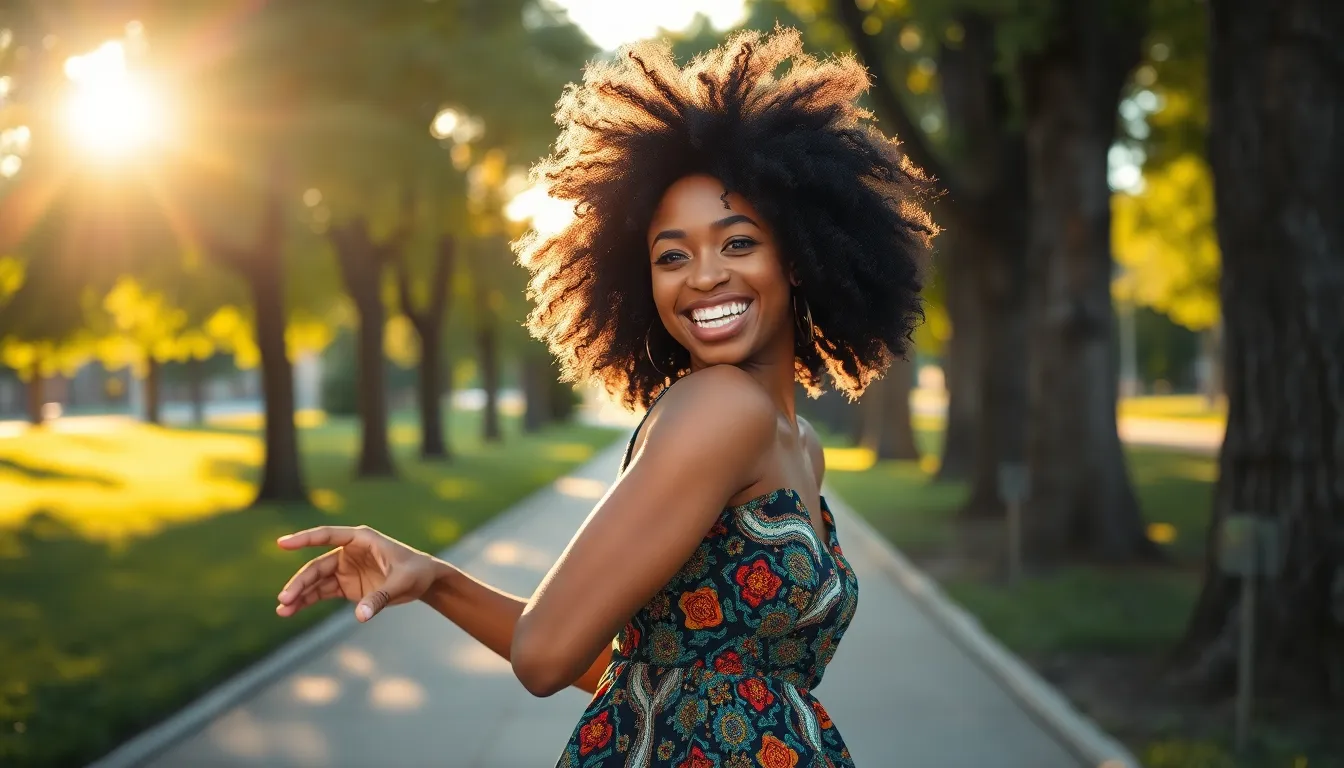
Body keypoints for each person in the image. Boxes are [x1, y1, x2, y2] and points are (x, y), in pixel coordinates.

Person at [274, 28, 934, 767]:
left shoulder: (797, 443)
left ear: (802, 256)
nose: (705, 276)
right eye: (672, 255)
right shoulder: (719, 408)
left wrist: (437, 580)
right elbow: (544, 656)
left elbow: (624, 668)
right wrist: (454, 590)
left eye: (738, 242)